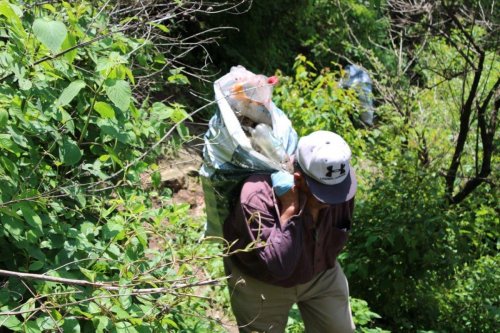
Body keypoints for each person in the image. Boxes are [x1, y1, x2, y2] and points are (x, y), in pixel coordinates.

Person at [223, 130, 357, 333]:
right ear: (299, 179)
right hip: (261, 284)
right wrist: (290, 210)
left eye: (336, 193)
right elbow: (279, 265)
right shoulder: (256, 195)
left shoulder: (339, 182)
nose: (332, 202)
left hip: (320, 275)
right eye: (323, 196)